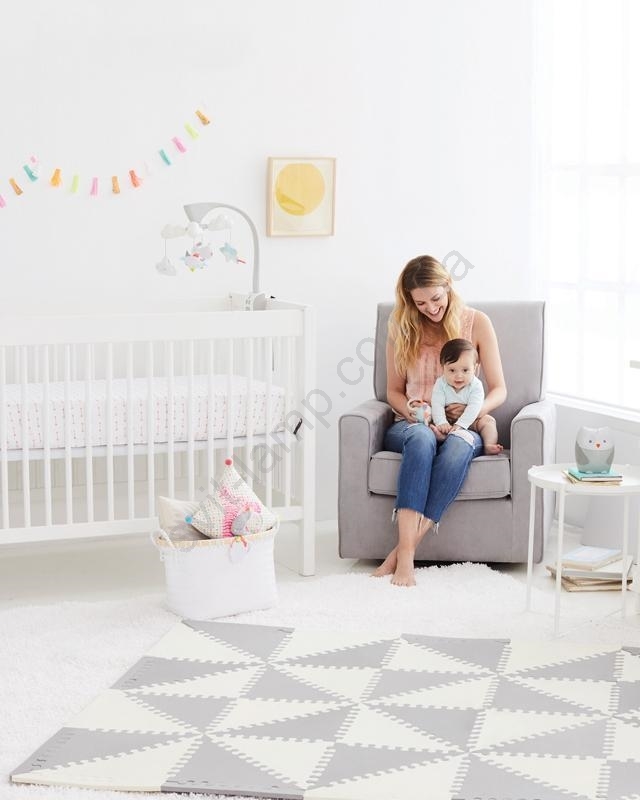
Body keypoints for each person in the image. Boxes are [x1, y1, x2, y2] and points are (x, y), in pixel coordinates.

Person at [372, 255, 507, 587]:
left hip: (465, 423)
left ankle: (402, 552)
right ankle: (406, 558)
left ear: (448, 286)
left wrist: (472, 413)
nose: (430, 308)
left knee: (458, 448)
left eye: (435, 298)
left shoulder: (477, 323)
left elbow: (499, 389)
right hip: (413, 421)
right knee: (422, 438)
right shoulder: (400, 327)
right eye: (420, 303)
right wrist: (417, 413)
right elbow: (393, 392)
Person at [431, 338, 503, 456]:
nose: (459, 376)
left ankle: (489, 445)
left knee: (489, 421)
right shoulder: (441, 384)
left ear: (475, 368)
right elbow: (437, 404)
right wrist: (441, 422)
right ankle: (442, 436)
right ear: (442, 368)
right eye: (452, 370)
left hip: (472, 420)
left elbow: (474, 407)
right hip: (447, 419)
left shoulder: (476, 385)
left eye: (465, 370)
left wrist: (460, 425)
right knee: (431, 422)